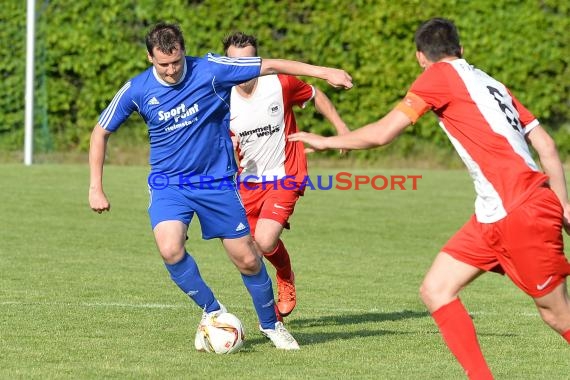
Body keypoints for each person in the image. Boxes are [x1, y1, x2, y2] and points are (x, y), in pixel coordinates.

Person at [290, 17, 570, 378]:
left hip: (519, 209)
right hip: (494, 212)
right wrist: (561, 203)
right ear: (461, 50)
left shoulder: (437, 76)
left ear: (421, 57)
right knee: (436, 289)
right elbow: (546, 144)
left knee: (557, 313)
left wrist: (328, 141)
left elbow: (383, 133)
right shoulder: (491, 82)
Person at [88, 22, 352, 351]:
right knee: (169, 249)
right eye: (163, 64)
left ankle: (272, 326)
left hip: (217, 183)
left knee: (248, 259)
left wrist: (325, 72)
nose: (171, 71)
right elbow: (101, 131)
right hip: (170, 183)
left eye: (176, 62)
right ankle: (213, 311)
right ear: (149, 58)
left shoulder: (211, 69)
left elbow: (270, 64)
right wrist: (95, 187)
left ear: (185, 52)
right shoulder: (137, 90)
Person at [222, 32, 349, 318]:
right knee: (249, 251)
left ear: (258, 61)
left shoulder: (280, 83)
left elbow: (316, 95)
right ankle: (270, 311)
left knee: (265, 241)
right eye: (234, 63)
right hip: (247, 183)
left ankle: (285, 276)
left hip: (286, 174)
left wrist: (341, 130)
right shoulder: (221, 99)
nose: (242, 70)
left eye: (248, 61)